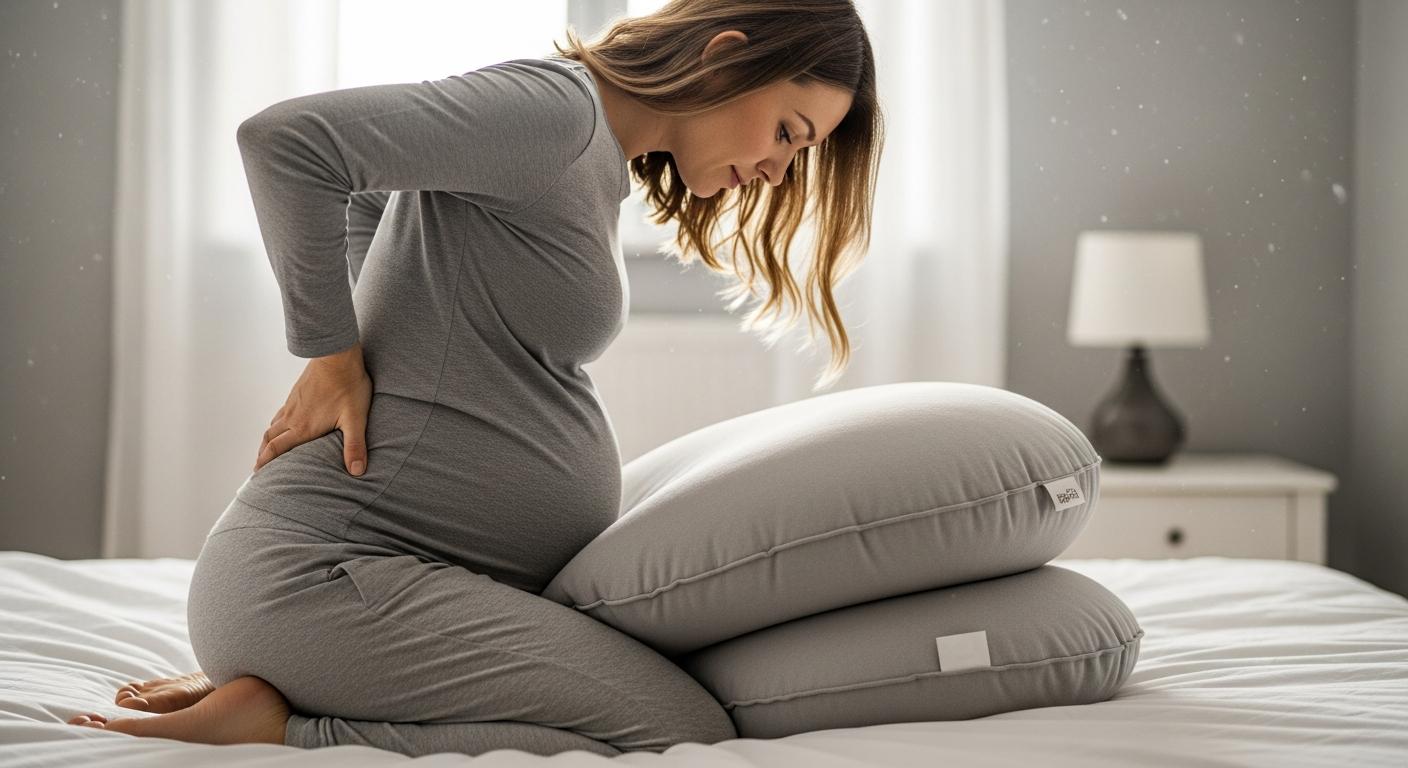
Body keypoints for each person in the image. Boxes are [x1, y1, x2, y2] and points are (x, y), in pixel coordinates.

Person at [67, 0, 882, 756]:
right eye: (788, 131)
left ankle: (296, 681)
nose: (780, 170)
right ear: (724, 56)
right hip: (321, 576)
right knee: (679, 726)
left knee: (678, 717)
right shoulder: (555, 113)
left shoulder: (590, 152)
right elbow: (289, 141)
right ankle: (283, 724)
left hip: (372, 579)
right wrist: (333, 356)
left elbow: (370, 198)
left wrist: (384, 340)